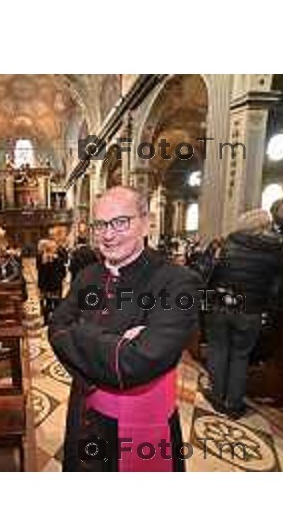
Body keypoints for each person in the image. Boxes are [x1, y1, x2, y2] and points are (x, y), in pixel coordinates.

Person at [49, 186, 200, 472]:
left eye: (120, 222)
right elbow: (55, 329)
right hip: (84, 414)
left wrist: (79, 333)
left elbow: (139, 361)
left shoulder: (178, 282)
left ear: (146, 222)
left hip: (143, 420)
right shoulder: (87, 275)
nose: (107, 234)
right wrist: (117, 344)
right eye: (101, 225)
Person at [203, 209, 283, 418]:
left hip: (220, 305)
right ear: (265, 226)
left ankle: (218, 397)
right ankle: (234, 404)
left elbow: (206, 273)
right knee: (240, 355)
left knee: (218, 349)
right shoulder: (277, 248)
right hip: (251, 309)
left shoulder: (225, 243)